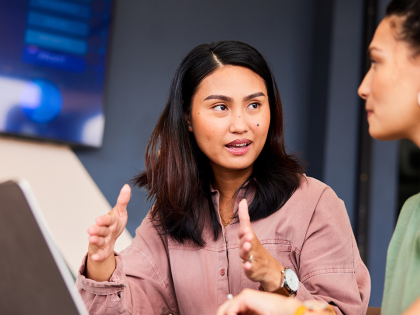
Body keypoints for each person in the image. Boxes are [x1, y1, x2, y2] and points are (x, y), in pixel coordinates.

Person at [76, 40, 369, 315]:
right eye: (221, 107)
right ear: (187, 117)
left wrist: (274, 276)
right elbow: (127, 307)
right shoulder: (169, 215)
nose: (241, 125)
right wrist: (101, 263)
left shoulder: (315, 204)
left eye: (254, 105)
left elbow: (339, 311)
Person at [217, 0, 420, 314]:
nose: (363, 87)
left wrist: (285, 299)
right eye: (220, 107)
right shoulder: (413, 211)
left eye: (377, 62)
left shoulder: (316, 201)